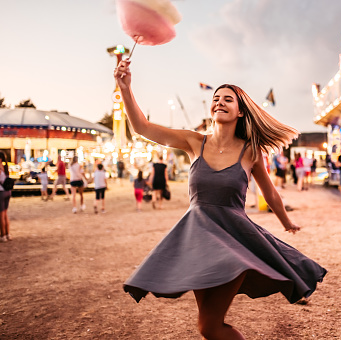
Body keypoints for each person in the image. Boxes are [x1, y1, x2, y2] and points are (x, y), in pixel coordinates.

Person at [115, 60, 326, 340]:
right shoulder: (193, 142)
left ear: (240, 111)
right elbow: (141, 127)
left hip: (233, 241)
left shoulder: (251, 151)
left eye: (228, 99)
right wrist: (126, 88)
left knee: (211, 326)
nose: (219, 102)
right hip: (197, 240)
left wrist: (286, 221)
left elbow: (270, 191)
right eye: (215, 99)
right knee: (208, 327)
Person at [0, 152, 12, 242]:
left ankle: (3, 235)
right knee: (5, 214)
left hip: (1, 192)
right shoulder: (6, 167)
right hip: (8, 192)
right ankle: (8, 234)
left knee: (1, 214)